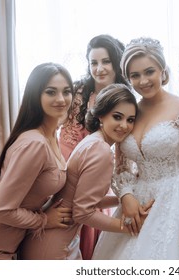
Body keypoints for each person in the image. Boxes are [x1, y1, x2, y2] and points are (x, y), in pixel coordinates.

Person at [92, 37, 179, 260]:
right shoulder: (130, 112)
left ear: (162, 71)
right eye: (135, 75)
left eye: (149, 71)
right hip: (139, 204)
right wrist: (126, 195)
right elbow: (122, 167)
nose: (143, 80)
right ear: (127, 78)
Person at [19, 84, 152, 259]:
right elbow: (83, 212)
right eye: (117, 117)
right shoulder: (101, 150)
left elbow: (85, 201)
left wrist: (124, 199)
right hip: (54, 244)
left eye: (130, 120)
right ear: (101, 115)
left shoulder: (93, 141)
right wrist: (126, 226)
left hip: (51, 237)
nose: (124, 126)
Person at [0, 62, 73, 259]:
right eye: (51, 92)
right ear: (35, 96)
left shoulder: (51, 136)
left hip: (7, 242)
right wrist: (44, 220)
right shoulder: (35, 143)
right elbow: (1, 209)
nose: (61, 99)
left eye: (66, 91)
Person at [58, 34, 129, 260]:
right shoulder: (78, 92)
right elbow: (61, 134)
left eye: (105, 61)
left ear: (116, 63)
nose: (99, 69)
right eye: (93, 63)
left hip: (98, 176)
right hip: (69, 172)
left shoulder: (126, 99)